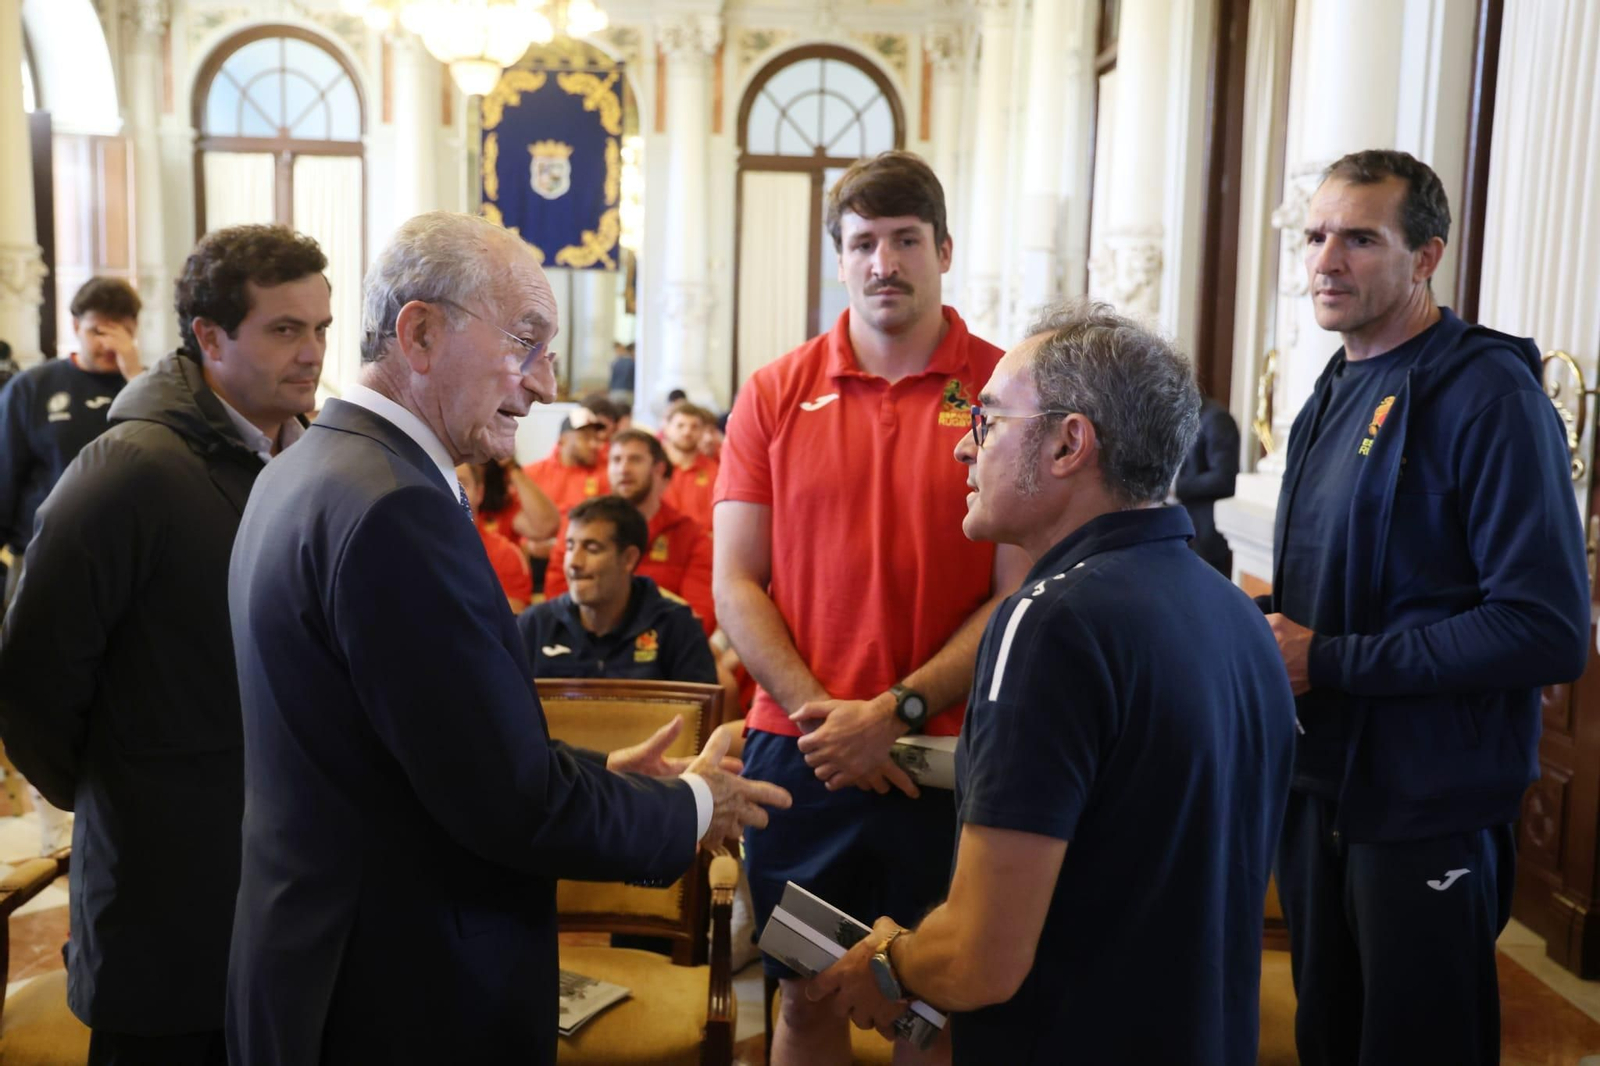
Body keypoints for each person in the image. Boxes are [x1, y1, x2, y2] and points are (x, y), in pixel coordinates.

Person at [224, 211, 789, 1066]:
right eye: (526, 341)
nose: (547, 382)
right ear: (420, 332)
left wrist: (607, 778)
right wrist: (696, 805)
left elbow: (423, 754)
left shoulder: (308, 465)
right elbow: (506, 804)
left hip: (318, 962)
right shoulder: (396, 509)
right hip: (397, 997)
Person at [808, 302, 1296, 1063]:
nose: (965, 452)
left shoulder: (1048, 622)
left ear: (1070, 443)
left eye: (991, 421)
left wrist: (889, 960)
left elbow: (981, 957)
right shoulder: (1235, 612)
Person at [1264, 149, 1589, 1066]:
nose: (1326, 259)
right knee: (1328, 1036)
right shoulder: (1329, 390)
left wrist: (1326, 660)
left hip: (1427, 806)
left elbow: (1547, 628)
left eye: (1360, 238)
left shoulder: (1489, 394)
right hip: (1321, 792)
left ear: (1426, 257)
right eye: (1317, 234)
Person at [714, 150, 1029, 1066]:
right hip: (802, 757)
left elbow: (1016, 596)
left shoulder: (1008, 391)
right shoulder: (775, 392)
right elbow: (736, 583)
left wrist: (890, 716)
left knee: (926, 1009)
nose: (884, 262)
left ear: (944, 251)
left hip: (948, 755)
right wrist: (831, 721)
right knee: (808, 995)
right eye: (863, 243)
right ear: (839, 259)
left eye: (905, 240)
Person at [0, 225, 331, 1066]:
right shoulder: (130, 468)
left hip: (279, 881)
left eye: (321, 327)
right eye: (285, 329)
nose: (312, 352)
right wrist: (131, 789)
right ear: (210, 338)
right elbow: (32, 680)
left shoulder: (303, 456)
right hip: (165, 894)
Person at [0, 276, 144, 609]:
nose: (108, 345)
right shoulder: (32, 387)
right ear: (76, 326)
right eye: (97, 332)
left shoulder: (149, 390)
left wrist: (135, 375)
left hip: (126, 558)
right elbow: (6, 471)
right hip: (41, 553)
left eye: (119, 333)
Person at [520, 495, 716, 684]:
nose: (574, 562)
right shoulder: (534, 626)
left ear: (629, 559)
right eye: (570, 547)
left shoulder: (676, 627)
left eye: (592, 548)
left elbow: (698, 714)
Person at [546, 429, 716, 633]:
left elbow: (699, 616)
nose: (623, 469)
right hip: (585, 645)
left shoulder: (690, 535)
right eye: (616, 460)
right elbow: (557, 599)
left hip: (661, 651)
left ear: (659, 469)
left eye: (635, 460)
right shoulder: (579, 527)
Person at [1173, 394, 1240, 574]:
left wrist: (1176, 488)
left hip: (1204, 536)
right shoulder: (1174, 418)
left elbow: (1224, 478)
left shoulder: (1217, 419)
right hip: (1178, 530)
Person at [459, 462, 533, 613]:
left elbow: (513, 619)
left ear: (479, 493)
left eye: (461, 485)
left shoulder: (505, 554)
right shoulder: (413, 548)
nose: (451, 491)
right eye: (442, 482)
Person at [660, 400, 720, 528]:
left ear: (703, 430)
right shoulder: (653, 469)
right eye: (680, 425)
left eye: (694, 426)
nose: (687, 432)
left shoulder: (715, 471)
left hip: (702, 544)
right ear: (667, 428)